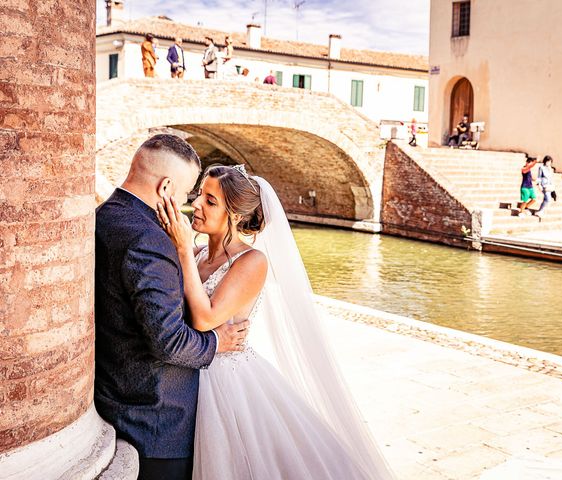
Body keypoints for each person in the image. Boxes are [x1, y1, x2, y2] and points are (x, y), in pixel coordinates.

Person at [156, 165, 394, 480]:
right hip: (187, 369)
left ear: (236, 216)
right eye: (200, 194)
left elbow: (204, 318)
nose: (197, 204)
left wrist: (183, 249)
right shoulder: (198, 253)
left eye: (211, 201)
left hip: (226, 382)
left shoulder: (251, 261)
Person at [94, 135, 249, 480]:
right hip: (156, 422)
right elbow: (169, 342)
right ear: (166, 188)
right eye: (187, 193)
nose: (188, 204)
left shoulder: (102, 216)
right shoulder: (149, 240)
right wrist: (217, 343)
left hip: (114, 398)